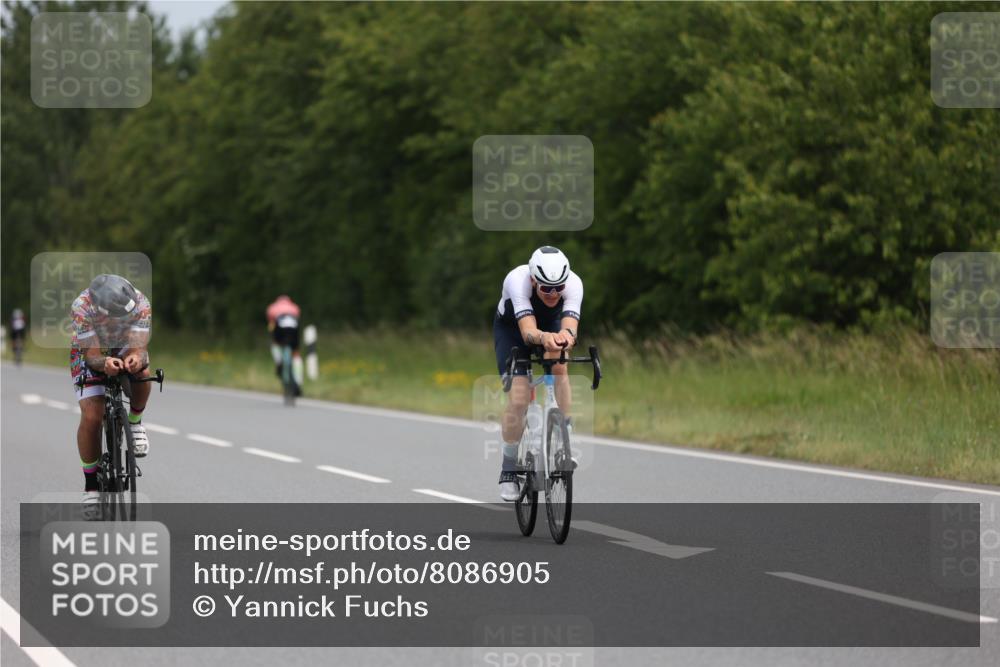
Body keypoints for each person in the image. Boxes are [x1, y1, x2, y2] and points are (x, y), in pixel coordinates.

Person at [493, 246, 582, 501]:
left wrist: (566, 338)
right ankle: (508, 469)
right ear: (533, 279)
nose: (553, 294)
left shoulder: (574, 284)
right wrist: (546, 338)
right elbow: (528, 331)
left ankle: (565, 437)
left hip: (550, 326)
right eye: (546, 288)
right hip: (513, 330)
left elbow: (570, 326)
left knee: (560, 366)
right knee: (520, 398)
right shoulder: (517, 280)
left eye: (558, 287)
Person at [70, 275, 153, 515]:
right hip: (91, 348)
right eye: (118, 317)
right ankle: (91, 487)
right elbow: (92, 356)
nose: (124, 320)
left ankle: (135, 423)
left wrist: (136, 359)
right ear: (101, 311)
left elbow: (140, 349)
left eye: (128, 316)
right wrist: (104, 363)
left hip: (124, 343)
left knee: (143, 371)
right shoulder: (82, 306)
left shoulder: (141, 303)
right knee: (92, 416)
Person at [266, 295, 303, 395]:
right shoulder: (294, 307)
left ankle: (279, 362)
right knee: (296, 354)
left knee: (275, 344)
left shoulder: (272, 308)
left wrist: (273, 337)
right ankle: (299, 381)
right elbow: (297, 319)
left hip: (279, 326)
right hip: (294, 329)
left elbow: (271, 325)